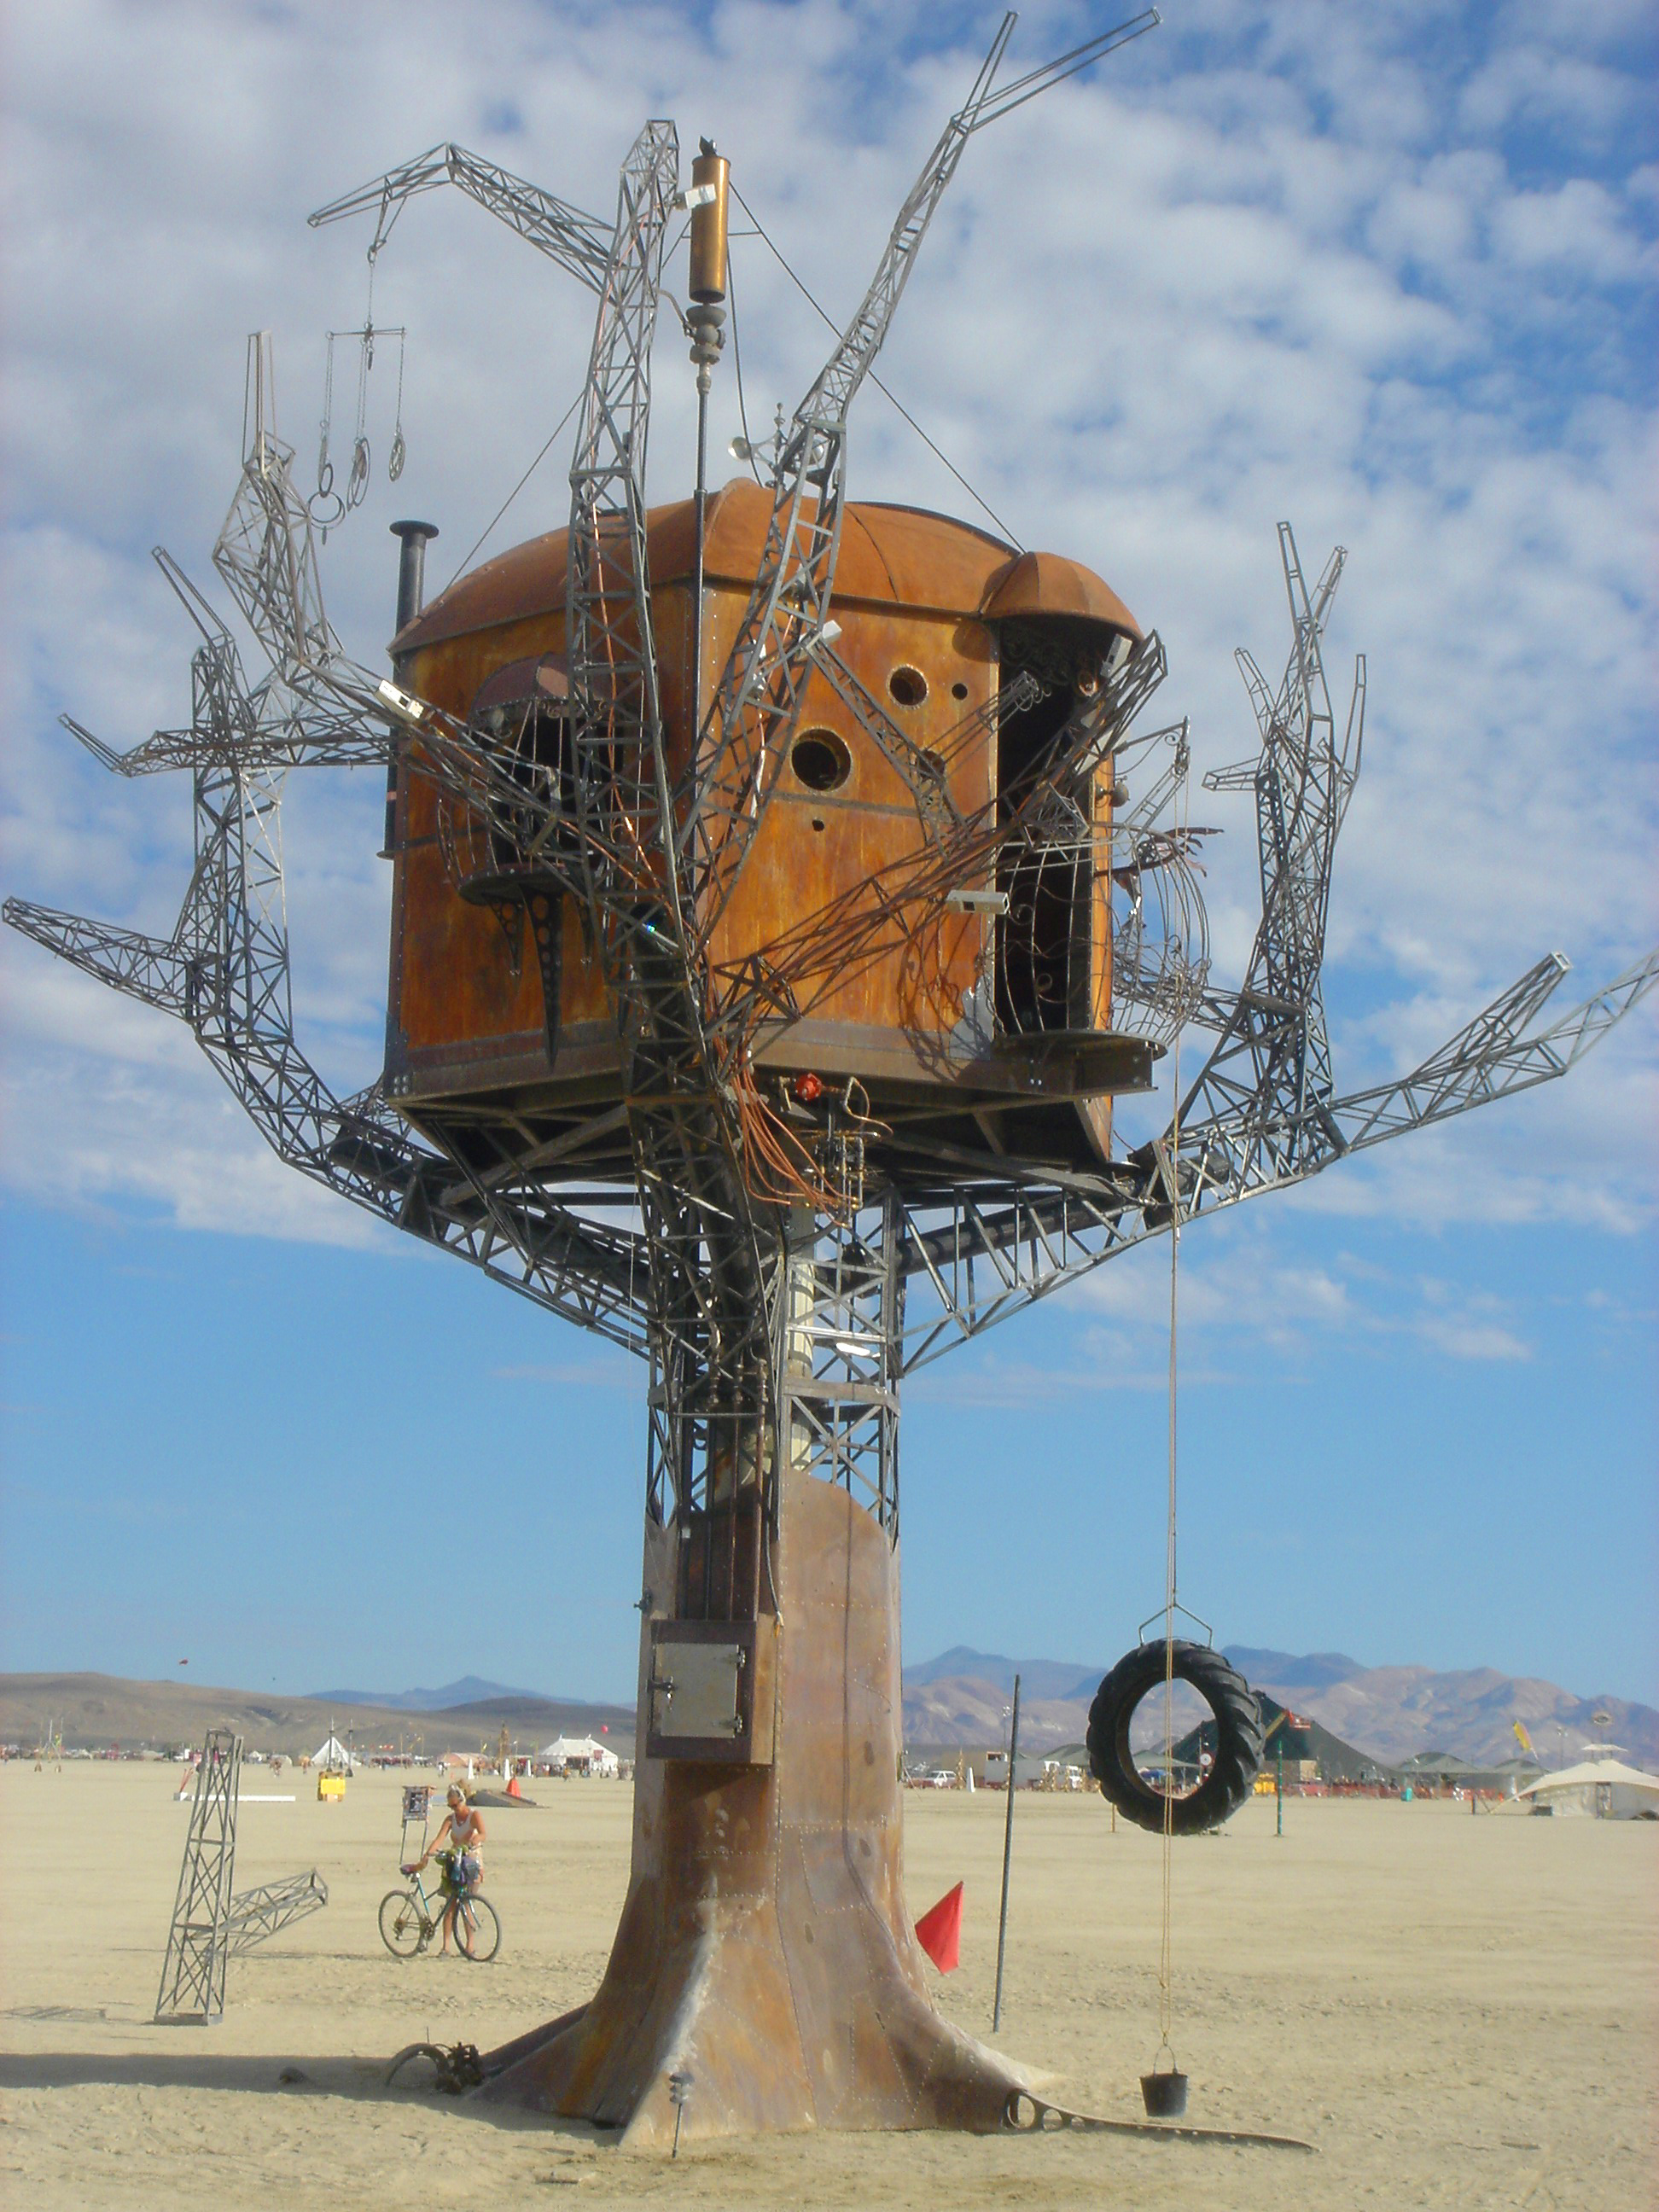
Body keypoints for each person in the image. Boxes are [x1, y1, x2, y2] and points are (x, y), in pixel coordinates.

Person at [416, 1785, 487, 1954]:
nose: (454, 1809)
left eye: (456, 1806)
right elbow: (439, 1839)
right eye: (451, 1806)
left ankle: (470, 1946)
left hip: (471, 1862)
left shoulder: (474, 1816)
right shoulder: (450, 1820)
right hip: (455, 1862)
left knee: (467, 1904)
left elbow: (483, 1834)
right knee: (450, 1907)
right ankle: (445, 1947)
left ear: (463, 1801)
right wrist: (427, 1855)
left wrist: (475, 1839)